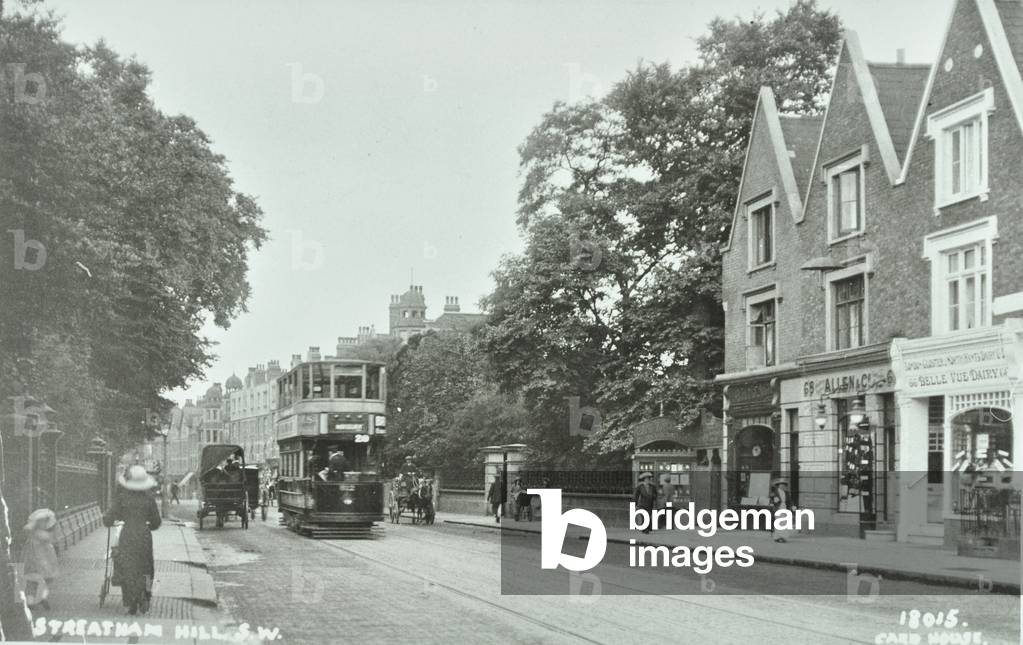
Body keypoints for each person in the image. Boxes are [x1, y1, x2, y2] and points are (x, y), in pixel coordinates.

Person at [104, 465, 161, 616]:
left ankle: (129, 602)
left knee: (127, 568)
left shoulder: (122, 498)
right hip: (144, 536)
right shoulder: (149, 499)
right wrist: (147, 523)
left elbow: (108, 519)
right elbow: (156, 523)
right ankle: (146, 595)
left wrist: (111, 520)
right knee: (147, 568)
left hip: (127, 535)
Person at [22, 508, 58, 611]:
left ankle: (35, 599)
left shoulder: (36, 533)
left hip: (38, 557)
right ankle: (39, 598)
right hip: (40, 558)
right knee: (41, 578)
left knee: (38, 579)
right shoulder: (41, 534)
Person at [770, 478, 793, 543]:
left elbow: (789, 501)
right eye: (781, 484)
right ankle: (778, 537)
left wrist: (792, 506)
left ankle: (783, 537)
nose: (783, 486)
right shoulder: (775, 492)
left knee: (784, 522)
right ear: (779, 485)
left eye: (784, 485)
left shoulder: (786, 493)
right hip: (778, 508)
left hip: (784, 508)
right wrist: (774, 501)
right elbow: (771, 500)